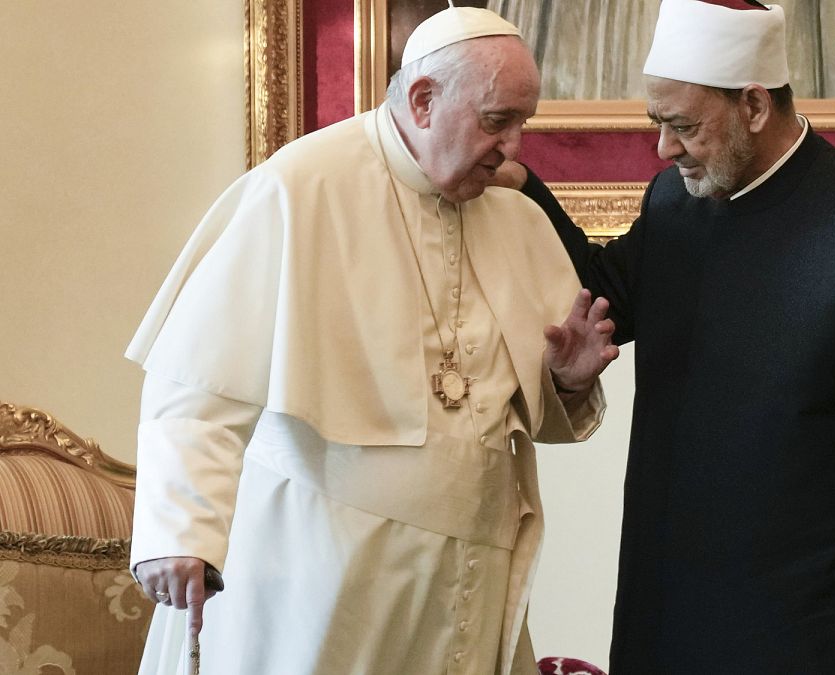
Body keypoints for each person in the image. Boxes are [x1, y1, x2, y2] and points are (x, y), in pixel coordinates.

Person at [126, 6, 617, 675]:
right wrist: (181, 531)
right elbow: (197, 384)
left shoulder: (517, 219)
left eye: (521, 123)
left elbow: (512, 408)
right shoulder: (300, 188)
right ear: (423, 101)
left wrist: (566, 381)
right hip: (319, 566)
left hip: (466, 575)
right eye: (497, 120)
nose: (514, 148)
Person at [507, 0, 835, 672]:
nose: (664, 149)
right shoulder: (674, 201)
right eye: (658, 124)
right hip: (664, 614)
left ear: (754, 106)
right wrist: (519, 184)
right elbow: (598, 292)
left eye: (684, 126)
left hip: (806, 630)